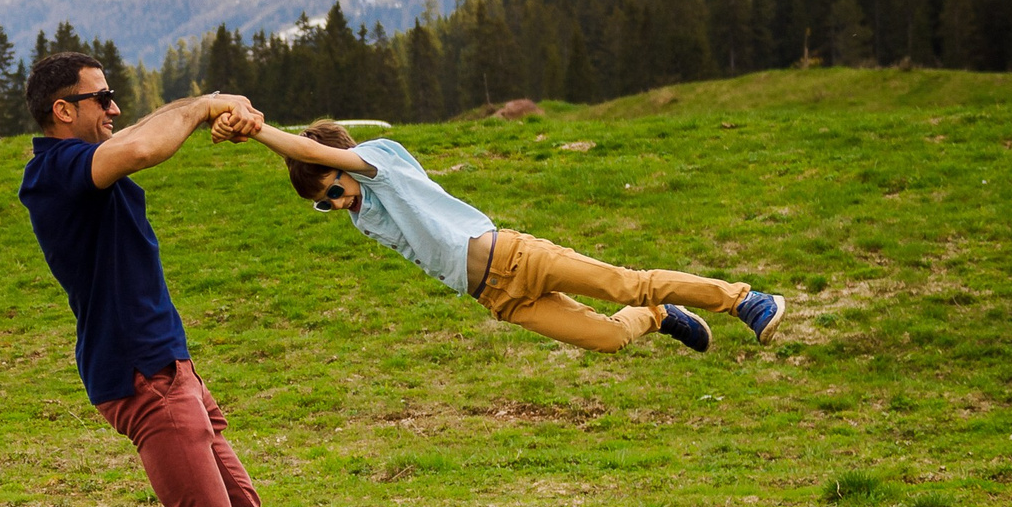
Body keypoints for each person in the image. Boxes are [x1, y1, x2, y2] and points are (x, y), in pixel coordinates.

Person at [16, 52, 328, 507]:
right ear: (62, 110)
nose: (114, 107)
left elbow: (141, 135)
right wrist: (209, 103)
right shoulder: (55, 172)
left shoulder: (92, 158)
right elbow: (147, 144)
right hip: (139, 375)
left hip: (171, 368)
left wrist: (213, 108)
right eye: (100, 99)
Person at [218, 117, 786, 353]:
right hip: (497, 298)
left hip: (517, 258)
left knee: (626, 285)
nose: (336, 205)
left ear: (342, 165)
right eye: (325, 206)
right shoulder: (363, 211)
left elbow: (311, 151)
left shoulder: (376, 166)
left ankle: (745, 300)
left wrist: (257, 129)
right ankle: (662, 318)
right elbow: (318, 168)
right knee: (611, 338)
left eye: (332, 192)